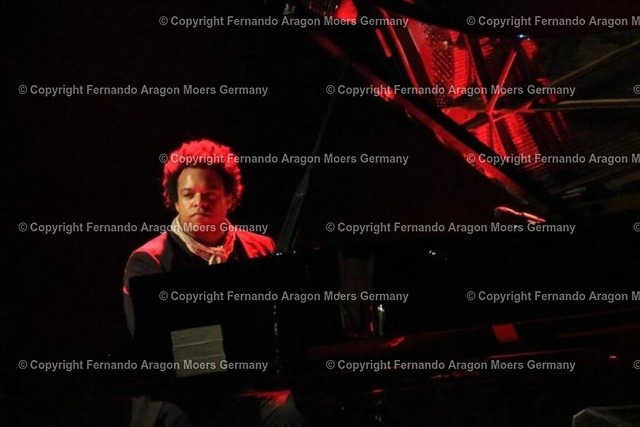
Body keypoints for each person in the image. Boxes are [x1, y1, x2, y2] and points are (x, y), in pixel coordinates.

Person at [122, 138, 305, 426]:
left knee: (293, 412)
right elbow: (155, 346)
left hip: (247, 382)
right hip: (177, 391)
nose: (199, 202)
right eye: (188, 194)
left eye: (210, 193)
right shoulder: (148, 261)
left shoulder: (262, 248)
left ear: (229, 198)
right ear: (175, 201)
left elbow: (280, 328)